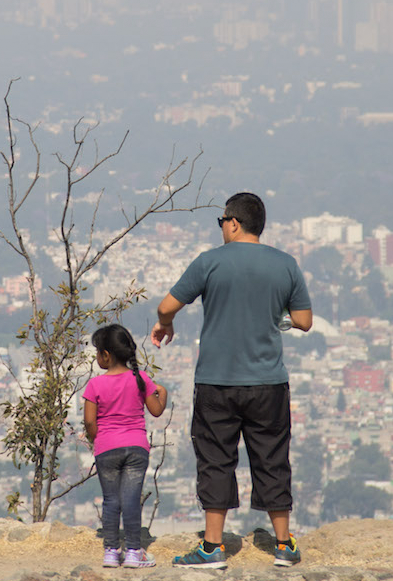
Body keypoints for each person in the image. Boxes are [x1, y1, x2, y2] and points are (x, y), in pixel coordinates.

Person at [151, 192, 312, 570]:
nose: (221, 227)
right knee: (272, 457)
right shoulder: (285, 265)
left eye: (221, 221)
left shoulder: (210, 262)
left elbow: (165, 306)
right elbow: (304, 321)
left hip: (216, 382)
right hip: (268, 381)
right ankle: (284, 545)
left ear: (234, 222)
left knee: (216, 459)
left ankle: (212, 549)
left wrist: (166, 324)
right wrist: (275, 317)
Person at [83, 324, 169, 569]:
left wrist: (97, 439)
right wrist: (163, 392)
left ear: (106, 355)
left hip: (106, 448)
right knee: (131, 499)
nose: (97, 356)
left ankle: (111, 551)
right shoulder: (140, 379)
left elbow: (90, 421)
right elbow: (156, 409)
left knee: (111, 500)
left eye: (98, 352)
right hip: (136, 448)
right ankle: (133, 551)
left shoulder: (95, 385)